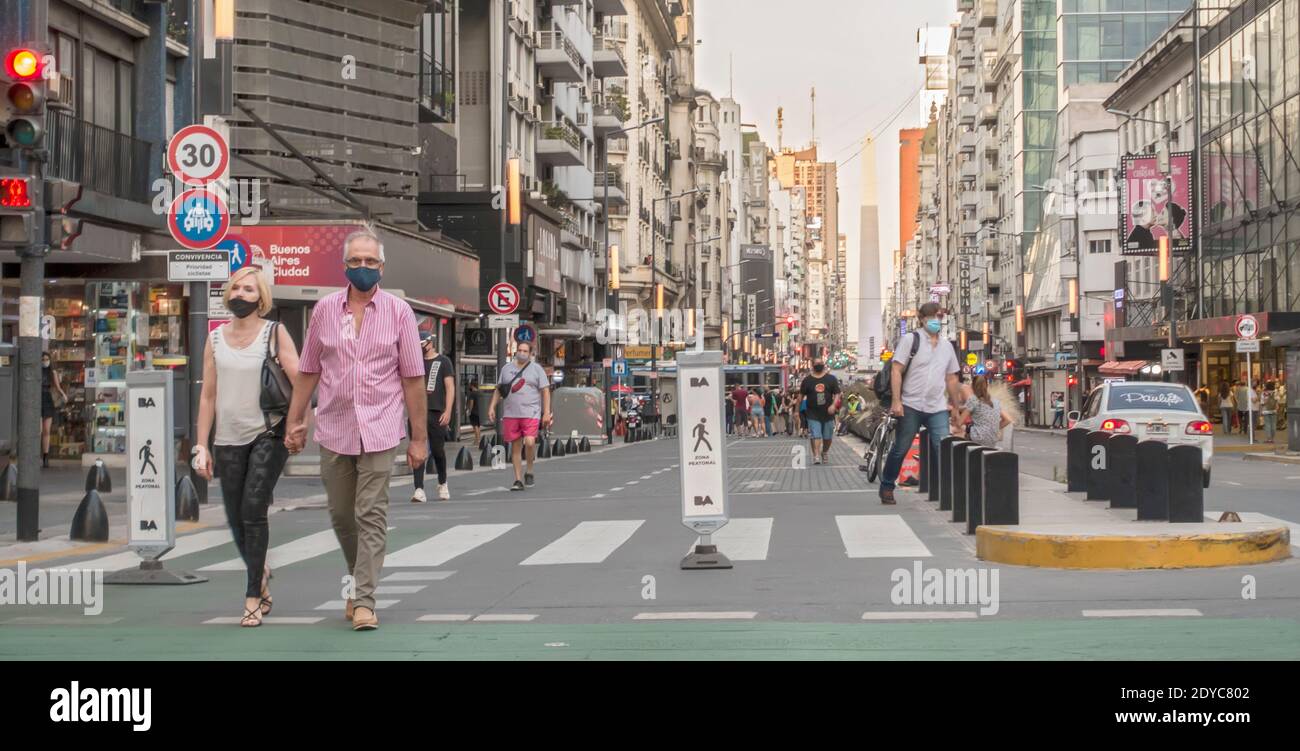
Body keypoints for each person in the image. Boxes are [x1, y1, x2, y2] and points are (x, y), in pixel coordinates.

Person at [286, 230, 428, 632]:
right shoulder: (325, 310)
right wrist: (295, 420)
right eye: (355, 261)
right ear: (344, 266)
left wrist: (419, 439)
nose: (362, 268)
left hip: (381, 429)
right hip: (334, 427)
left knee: (371, 513)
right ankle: (358, 575)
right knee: (342, 515)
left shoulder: (400, 313)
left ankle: (364, 599)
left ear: (381, 267)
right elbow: (309, 369)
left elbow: (413, 379)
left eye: (370, 262)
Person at [195, 265, 299, 628]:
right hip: (226, 438)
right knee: (236, 518)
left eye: (249, 290)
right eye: (236, 289)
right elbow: (207, 395)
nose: (240, 295)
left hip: (267, 433)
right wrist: (201, 445)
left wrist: (298, 425)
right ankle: (262, 573)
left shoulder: (275, 333)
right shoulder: (216, 339)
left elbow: (300, 381)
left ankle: (252, 595)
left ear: (261, 298)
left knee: (253, 510)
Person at [879, 302, 963, 504]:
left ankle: (947, 491)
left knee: (942, 448)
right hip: (910, 404)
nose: (936, 321)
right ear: (922, 319)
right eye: (932, 317)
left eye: (939, 317)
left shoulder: (947, 347)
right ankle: (888, 486)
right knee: (901, 447)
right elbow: (896, 370)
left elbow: (952, 378)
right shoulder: (910, 340)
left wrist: (956, 407)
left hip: (937, 406)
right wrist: (897, 401)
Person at [487, 340, 552, 491]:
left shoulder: (537, 369)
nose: (522, 353)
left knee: (529, 442)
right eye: (520, 350)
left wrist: (546, 412)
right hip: (511, 413)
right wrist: (492, 406)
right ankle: (518, 479)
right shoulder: (506, 369)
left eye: (525, 351)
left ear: (530, 354)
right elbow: (499, 389)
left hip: (531, 412)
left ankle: (529, 469)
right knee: (515, 447)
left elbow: (545, 391)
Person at [411, 332, 455, 503]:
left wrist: (448, 410)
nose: (420, 347)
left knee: (438, 451)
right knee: (418, 451)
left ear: (430, 343)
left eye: (422, 343)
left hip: (437, 412)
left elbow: (450, 387)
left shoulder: (443, 362)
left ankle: (442, 482)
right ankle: (418, 489)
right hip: (417, 412)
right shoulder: (415, 362)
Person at [799, 358, 841, 465]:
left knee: (827, 437)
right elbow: (801, 396)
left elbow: (837, 394)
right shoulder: (807, 380)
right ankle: (816, 455)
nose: (818, 365)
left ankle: (824, 452)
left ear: (824, 365)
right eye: (816, 363)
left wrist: (833, 405)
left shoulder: (831, 379)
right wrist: (797, 410)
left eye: (820, 363)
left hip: (828, 413)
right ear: (812, 365)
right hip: (813, 412)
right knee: (816, 434)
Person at [960, 376, 1014, 448]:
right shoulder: (995, 401)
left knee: (959, 430)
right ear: (987, 386)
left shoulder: (973, 400)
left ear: (972, 386)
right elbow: (1008, 420)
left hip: (977, 439)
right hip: (992, 440)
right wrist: (992, 429)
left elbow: (959, 422)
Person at [40, 352, 67, 468]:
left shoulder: (53, 372)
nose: (45, 361)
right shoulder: (37, 370)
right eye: (43, 359)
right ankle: (35, 455)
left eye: (47, 359)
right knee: (39, 430)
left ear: (50, 360)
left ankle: (46, 456)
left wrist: (63, 394)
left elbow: (57, 386)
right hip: (37, 398)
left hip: (47, 398)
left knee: (46, 430)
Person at [464, 377, 482, 445]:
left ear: (472, 385)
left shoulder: (472, 393)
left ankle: (477, 441)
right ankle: (478, 439)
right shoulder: (479, 392)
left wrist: (469, 411)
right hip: (479, 412)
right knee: (478, 426)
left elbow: (471, 403)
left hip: (474, 412)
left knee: (475, 426)